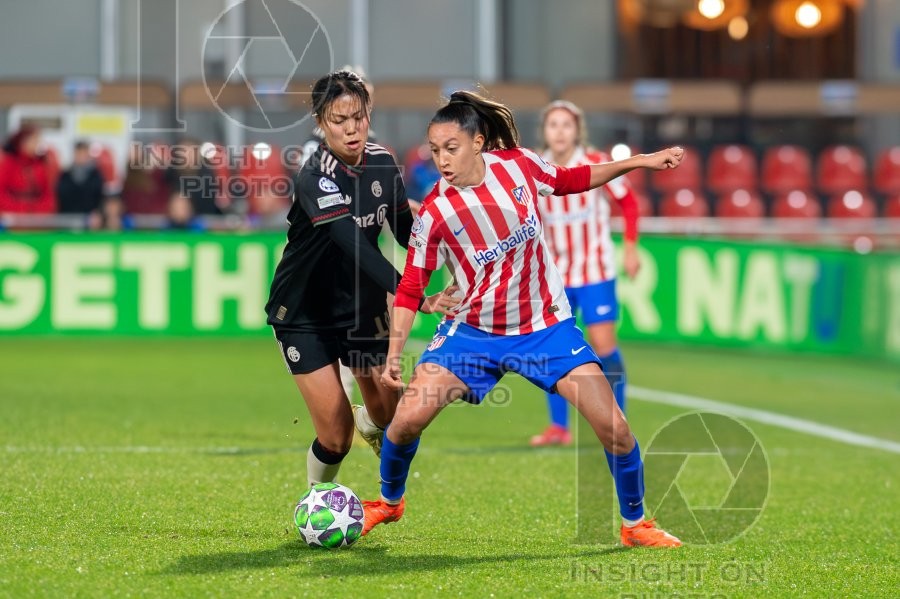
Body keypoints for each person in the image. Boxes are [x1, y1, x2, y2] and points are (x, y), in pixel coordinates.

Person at [363, 90, 685, 547]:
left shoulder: (518, 165)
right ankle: (389, 502)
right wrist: (395, 353)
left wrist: (639, 161)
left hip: (546, 328)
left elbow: (574, 178)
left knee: (615, 428)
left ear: (477, 143)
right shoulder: (435, 211)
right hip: (472, 334)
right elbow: (413, 286)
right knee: (405, 421)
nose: (442, 160)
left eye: (451, 148)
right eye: (435, 151)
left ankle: (635, 524)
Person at [265, 70, 456, 487]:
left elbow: (406, 233)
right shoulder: (314, 174)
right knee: (336, 437)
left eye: (358, 117)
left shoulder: (384, 163)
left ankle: (371, 422)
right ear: (320, 122)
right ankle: (316, 503)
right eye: (338, 120)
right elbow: (354, 245)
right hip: (304, 313)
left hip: (361, 306)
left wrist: (456, 248)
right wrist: (415, 295)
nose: (351, 129)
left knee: (392, 416)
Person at [530, 101, 642, 447]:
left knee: (604, 346)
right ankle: (559, 428)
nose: (560, 131)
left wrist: (631, 246)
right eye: (554, 125)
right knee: (553, 348)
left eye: (567, 125)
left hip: (595, 271)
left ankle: (615, 418)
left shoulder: (595, 163)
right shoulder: (534, 166)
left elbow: (629, 202)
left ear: (578, 130)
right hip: (555, 276)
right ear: (545, 131)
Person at [0, 125, 56, 215]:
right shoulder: (8, 164)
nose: (37, 145)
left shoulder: (40, 165)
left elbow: (48, 194)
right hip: (12, 218)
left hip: (35, 219)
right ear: (23, 143)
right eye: (34, 141)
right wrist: (20, 209)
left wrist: (37, 210)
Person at [57, 140, 105, 215]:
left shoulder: (96, 176)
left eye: (83, 153)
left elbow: (99, 197)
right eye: (78, 153)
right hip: (68, 219)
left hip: (89, 221)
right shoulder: (65, 175)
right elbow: (61, 197)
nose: (80, 156)